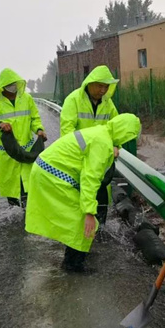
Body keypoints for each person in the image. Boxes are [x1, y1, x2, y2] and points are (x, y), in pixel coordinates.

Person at [25, 113, 141, 271]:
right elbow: (90, 179)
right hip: (52, 176)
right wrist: (89, 212)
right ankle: (73, 266)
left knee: (76, 221)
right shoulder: (103, 143)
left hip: (47, 172)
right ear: (125, 133)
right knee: (81, 222)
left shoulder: (103, 133)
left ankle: (72, 260)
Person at [60, 65, 120, 223]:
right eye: (100, 85)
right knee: (80, 193)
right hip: (79, 158)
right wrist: (85, 151)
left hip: (100, 160)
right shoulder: (73, 100)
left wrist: (116, 145)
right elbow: (67, 132)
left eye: (106, 86)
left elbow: (116, 126)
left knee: (100, 192)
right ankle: (81, 228)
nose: (103, 90)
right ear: (90, 83)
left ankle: (100, 227)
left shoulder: (108, 103)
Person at [0, 69, 46, 207]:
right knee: (11, 181)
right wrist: (0, 124)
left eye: (15, 83)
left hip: (26, 148)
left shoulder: (27, 99)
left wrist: (39, 130)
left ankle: (26, 207)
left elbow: (34, 118)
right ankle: (14, 200)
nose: (14, 87)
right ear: (3, 86)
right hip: (6, 151)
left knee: (27, 181)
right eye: (10, 84)